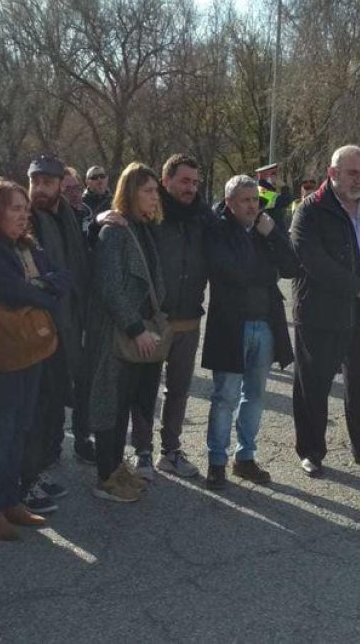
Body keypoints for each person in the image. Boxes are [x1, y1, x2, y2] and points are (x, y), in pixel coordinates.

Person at [0, 180, 71, 540]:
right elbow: (9, 290)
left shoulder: (25, 245)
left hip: (30, 349)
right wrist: (41, 290)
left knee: (20, 428)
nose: (23, 216)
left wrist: (39, 289)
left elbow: (61, 277)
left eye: (25, 209)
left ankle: (11, 501)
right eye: (14, 208)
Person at [290, 145, 360, 477]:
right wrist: (359, 287)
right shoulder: (310, 210)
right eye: (353, 173)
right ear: (333, 173)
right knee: (314, 384)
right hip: (322, 312)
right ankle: (311, 452)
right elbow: (312, 260)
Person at [201, 175, 299, 489]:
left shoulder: (265, 228)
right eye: (244, 200)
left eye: (255, 200)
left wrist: (273, 236)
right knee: (225, 396)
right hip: (232, 324)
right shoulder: (218, 230)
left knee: (255, 396)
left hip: (265, 322)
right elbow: (233, 272)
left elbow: (291, 268)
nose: (251, 206)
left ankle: (245, 457)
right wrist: (263, 269)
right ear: (229, 203)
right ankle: (217, 461)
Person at [85, 162, 166, 502]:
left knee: (125, 404)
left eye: (155, 191)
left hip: (136, 332)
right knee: (111, 405)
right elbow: (110, 287)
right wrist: (136, 328)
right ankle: (106, 476)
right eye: (148, 191)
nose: (154, 197)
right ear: (131, 192)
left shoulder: (140, 227)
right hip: (117, 335)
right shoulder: (114, 230)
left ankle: (117, 468)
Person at [128, 153, 210, 480]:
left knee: (178, 389)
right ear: (166, 181)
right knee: (144, 389)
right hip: (154, 320)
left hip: (189, 317)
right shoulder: (149, 216)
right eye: (184, 181)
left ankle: (170, 451)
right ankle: (143, 452)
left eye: (195, 181)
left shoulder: (203, 217)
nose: (190, 188)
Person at [21, 153, 90, 513]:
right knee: (37, 402)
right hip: (37, 322)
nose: (41, 189)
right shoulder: (23, 217)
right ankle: (28, 475)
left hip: (69, 318)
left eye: (48, 182)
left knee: (56, 396)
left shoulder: (66, 215)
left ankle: (46, 461)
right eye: (36, 182)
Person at [81, 165, 111, 241]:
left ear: (107, 179)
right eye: (94, 177)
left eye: (102, 176)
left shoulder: (115, 201)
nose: (99, 180)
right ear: (87, 182)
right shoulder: (81, 203)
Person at [63, 166, 93, 231]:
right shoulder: (54, 224)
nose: (74, 194)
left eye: (76, 188)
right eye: (68, 190)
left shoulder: (89, 217)